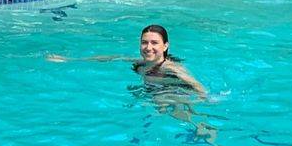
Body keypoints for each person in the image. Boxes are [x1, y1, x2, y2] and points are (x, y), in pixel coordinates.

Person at [46, 23, 207, 95]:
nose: (148, 47)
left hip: (174, 94)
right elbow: (112, 58)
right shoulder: (141, 63)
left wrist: (206, 97)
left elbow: (194, 83)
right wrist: (70, 60)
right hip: (154, 91)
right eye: (144, 42)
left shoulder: (170, 68)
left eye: (154, 43)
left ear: (165, 46)